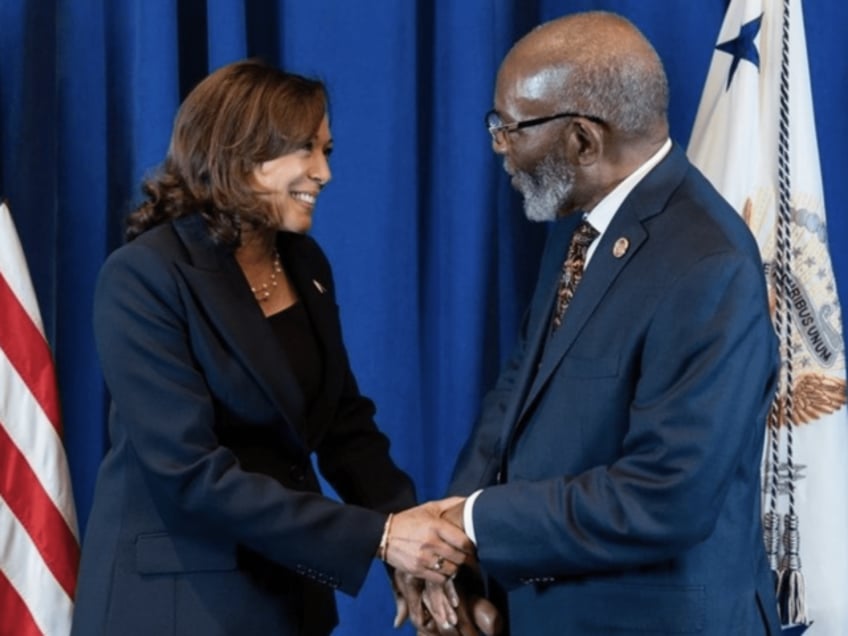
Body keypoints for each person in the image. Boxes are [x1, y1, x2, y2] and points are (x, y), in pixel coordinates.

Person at [404, 11, 782, 636]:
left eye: (509, 127)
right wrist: (454, 557)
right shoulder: (580, 226)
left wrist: (474, 523)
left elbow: (666, 497)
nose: (499, 147)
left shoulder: (708, 265)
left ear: (582, 140)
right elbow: (516, 395)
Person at [71, 59, 473, 636]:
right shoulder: (143, 277)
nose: (324, 172)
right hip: (178, 608)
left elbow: (343, 425)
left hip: (286, 598)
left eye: (327, 151)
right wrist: (381, 540)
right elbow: (190, 475)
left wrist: (411, 537)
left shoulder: (304, 263)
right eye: (306, 150)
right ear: (239, 154)